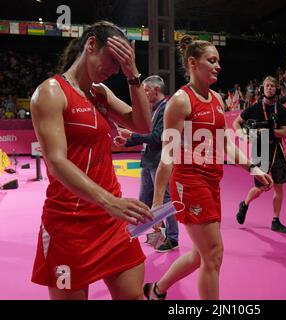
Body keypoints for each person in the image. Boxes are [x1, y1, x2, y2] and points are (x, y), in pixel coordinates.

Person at [30, 21, 154, 300]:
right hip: (69, 225)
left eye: (120, 64)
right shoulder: (51, 92)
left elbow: (143, 125)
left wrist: (132, 74)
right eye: (113, 60)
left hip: (111, 221)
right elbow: (57, 162)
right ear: (90, 46)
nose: (114, 70)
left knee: (134, 296)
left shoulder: (101, 93)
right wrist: (110, 202)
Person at [143, 35, 273, 300]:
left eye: (218, 61)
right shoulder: (180, 102)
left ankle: (156, 290)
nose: (218, 66)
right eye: (211, 61)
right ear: (193, 63)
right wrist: (157, 205)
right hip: (190, 182)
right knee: (213, 255)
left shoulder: (217, 99)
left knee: (199, 255)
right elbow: (167, 156)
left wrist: (252, 167)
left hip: (213, 181)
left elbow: (225, 143)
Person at [114, 75, 179, 253]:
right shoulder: (154, 109)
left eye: (146, 91)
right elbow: (148, 136)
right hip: (149, 161)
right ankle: (153, 233)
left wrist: (131, 136)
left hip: (160, 163)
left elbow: (157, 137)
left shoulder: (166, 109)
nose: (143, 95)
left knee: (165, 201)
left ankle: (173, 239)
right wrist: (126, 142)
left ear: (156, 90)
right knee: (144, 201)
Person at [233, 76, 286, 234]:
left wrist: (269, 131)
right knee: (262, 187)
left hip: (277, 151)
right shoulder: (254, 108)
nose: (270, 88)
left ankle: (275, 220)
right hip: (260, 151)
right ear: (262, 89)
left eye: (273, 86)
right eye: (267, 85)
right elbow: (236, 122)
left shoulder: (282, 110)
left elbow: (285, 133)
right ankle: (244, 204)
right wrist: (242, 135)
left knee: (279, 188)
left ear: (277, 89)